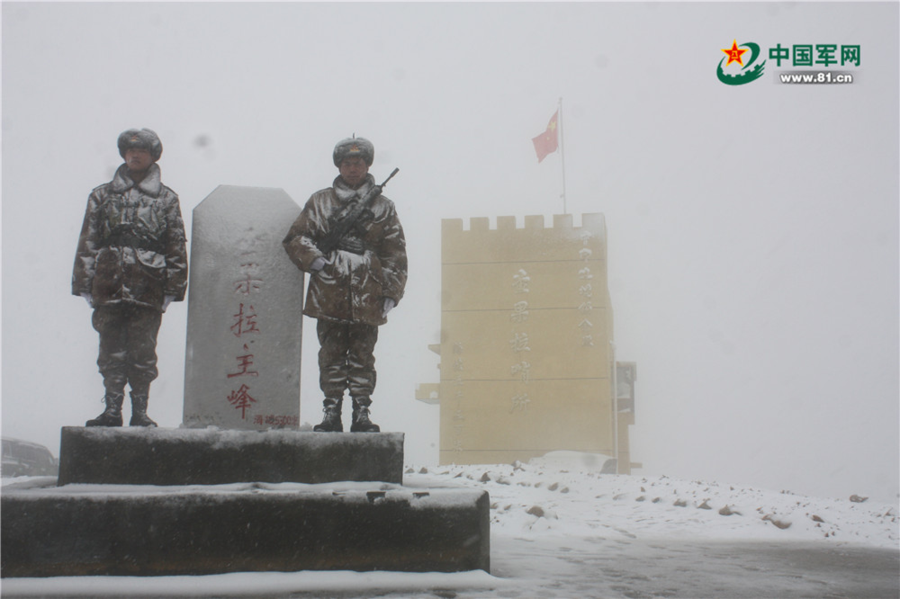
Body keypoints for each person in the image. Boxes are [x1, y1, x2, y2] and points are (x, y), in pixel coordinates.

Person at [283, 136, 407, 433]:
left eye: (359, 163)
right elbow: (297, 238)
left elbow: (395, 252)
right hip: (330, 287)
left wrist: (391, 291)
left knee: (363, 354)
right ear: (339, 166)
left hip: (368, 288)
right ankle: (331, 409)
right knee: (331, 352)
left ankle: (361, 410)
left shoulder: (383, 206)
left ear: (367, 166)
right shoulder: (321, 201)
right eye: (348, 163)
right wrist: (316, 261)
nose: (353, 169)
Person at [72, 128, 188, 427]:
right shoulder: (102, 195)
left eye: (141, 152)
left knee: (143, 352)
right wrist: (84, 284)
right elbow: (88, 240)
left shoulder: (166, 199)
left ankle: (140, 411)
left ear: (152, 157)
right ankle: (112, 409)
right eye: (129, 151)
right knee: (110, 350)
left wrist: (173, 289)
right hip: (108, 281)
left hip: (149, 285)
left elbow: (176, 245)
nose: (134, 156)